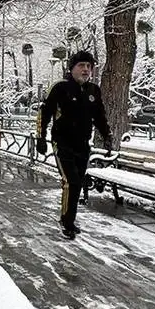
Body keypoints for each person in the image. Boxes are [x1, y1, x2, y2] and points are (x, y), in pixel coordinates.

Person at [35, 51, 113, 239]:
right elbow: (44, 114)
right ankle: (67, 222)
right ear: (72, 68)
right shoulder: (60, 88)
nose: (86, 70)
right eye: (81, 66)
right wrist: (40, 137)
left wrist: (107, 135)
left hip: (82, 144)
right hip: (62, 143)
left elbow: (100, 116)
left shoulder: (94, 91)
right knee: (71, 181)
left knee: (76, 183)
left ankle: (68, 218)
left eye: (89, 66)